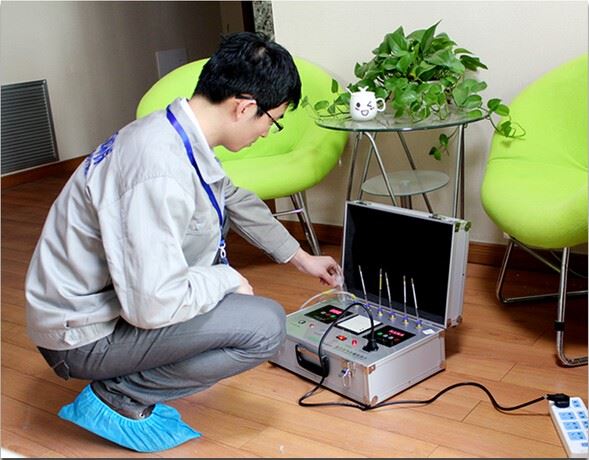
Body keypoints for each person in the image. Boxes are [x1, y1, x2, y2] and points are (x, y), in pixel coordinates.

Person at [25, 32, 341, 453]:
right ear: (244, 106)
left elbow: (231, 196)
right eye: (273, 120)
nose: (269, 132)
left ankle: (129, 377)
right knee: (264, 326)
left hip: (100, 307)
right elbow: (152, 304)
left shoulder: (172, 131)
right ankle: (120, 395)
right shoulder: (159, 169)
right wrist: (226, 280)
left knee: (241, 307)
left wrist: (302, 258)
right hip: (80, 338)